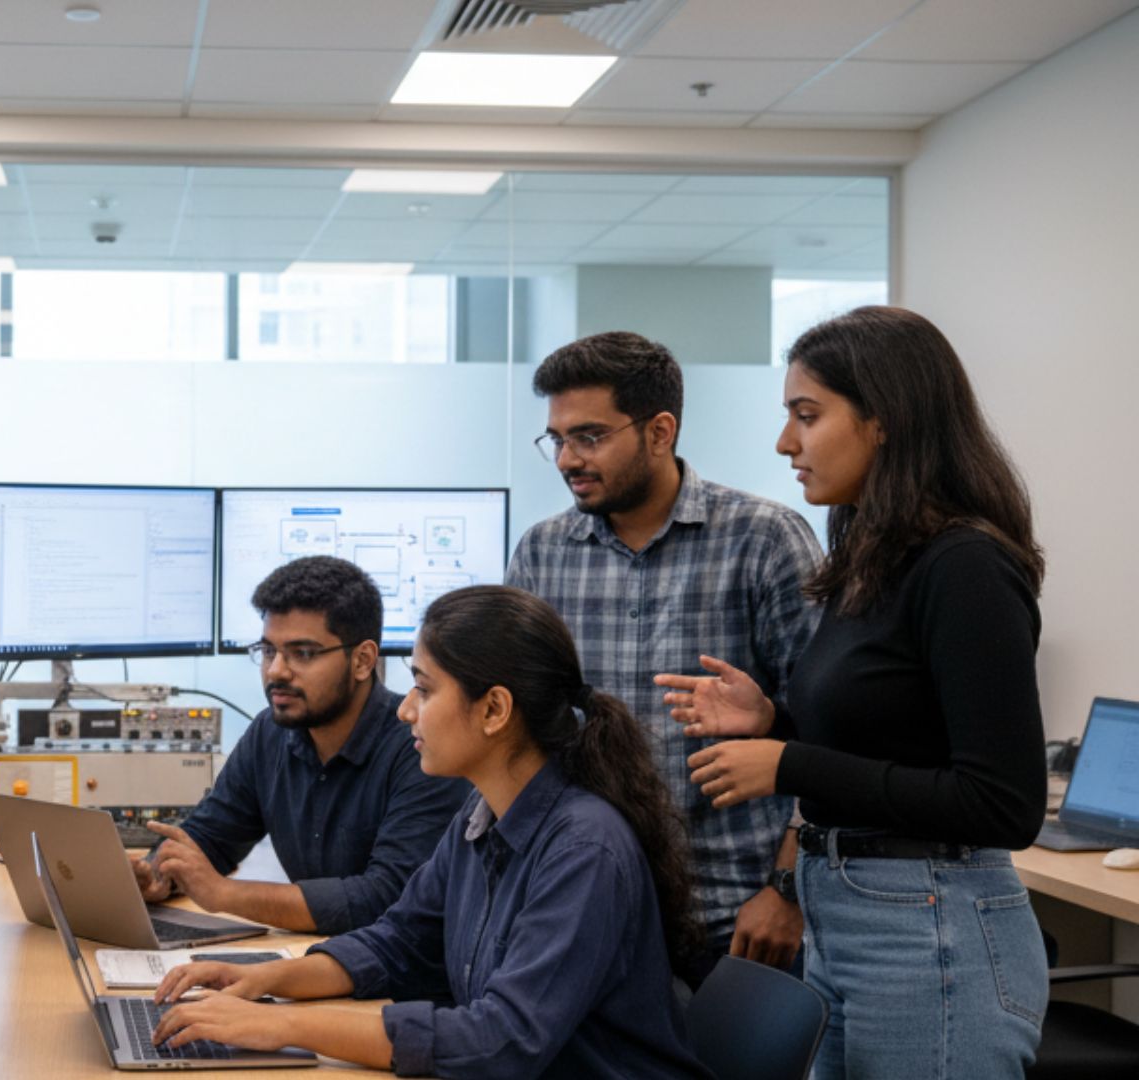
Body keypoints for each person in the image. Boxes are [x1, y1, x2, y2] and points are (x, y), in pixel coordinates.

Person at [658, 305, 1049, 1078]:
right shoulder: (868, 551)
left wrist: (788, 762)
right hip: (848, 916)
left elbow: (1004, 804)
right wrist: (775, 718)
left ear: (885, 421)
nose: (785, 443)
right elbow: (892, 731)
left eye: (808, 415)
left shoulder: (965, 567)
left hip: (931, 928)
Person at [148, 586, 711, 1080]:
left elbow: (501, 1040)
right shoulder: (482, 815)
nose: (405, 711)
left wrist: (281, 1023)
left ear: (493, 710)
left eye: (424, 688)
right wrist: (265, 979)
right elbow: (398, 942)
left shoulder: (583, 850)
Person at [505, 331, 822, 985]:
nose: (567, 458)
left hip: (737, 920)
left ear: (659, 431)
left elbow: (828, 738)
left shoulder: (763, 540)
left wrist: (787, 889)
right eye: (557, 439)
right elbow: (520, 733)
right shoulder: (542, 554)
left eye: (588, 436)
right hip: (588, 912)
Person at [133, 556, 467, 933]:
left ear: (362, 660)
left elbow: (388, 898)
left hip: (393, 977)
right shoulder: (270, 734)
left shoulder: (420, 747)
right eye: (269, 650)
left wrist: (225, 894)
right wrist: (156, 874)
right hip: (316, 959)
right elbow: (210, 838)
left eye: (303, 653)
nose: (276, 670)